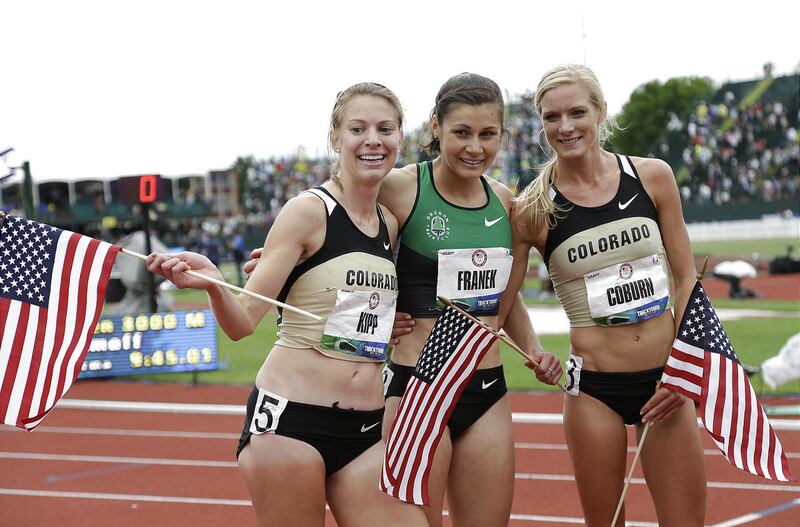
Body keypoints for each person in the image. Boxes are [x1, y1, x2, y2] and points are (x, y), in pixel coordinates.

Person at [246, 73, 562, 527]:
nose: (474, 147)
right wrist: (283, 262)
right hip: (418, 385)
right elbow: (337, 226)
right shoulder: (399, 187)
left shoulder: (504, 201)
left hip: (485, 385)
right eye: (461, 133)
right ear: (435, 127)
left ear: (503, 136)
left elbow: (502, 297)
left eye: (487, 134)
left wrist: (532, 348)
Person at [147, 82, 427, 527]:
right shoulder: (308, 211)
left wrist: (377, 326)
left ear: (400, 138)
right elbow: (243, 322)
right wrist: (215, 282)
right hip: (291, 423)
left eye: (385, 129)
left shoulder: (389, 223)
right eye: (358, 129)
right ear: (335, 138)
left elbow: (347, 307)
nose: (373, 140)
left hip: (366, 429)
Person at [500, 64, 706, 527]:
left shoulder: (652, 177)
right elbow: (504, 299)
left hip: (665, 384)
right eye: (552, 117)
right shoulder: (532, 208)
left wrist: (684, 368)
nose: (565, 126)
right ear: (541, 124)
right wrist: (533, 350)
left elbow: (685, 277)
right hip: (593, 391)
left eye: (577, 112)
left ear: (601, 111)